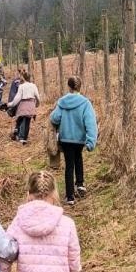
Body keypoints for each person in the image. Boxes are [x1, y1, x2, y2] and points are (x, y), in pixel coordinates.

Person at [49, 76, 98, 205]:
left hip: (65, 139)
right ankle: (80, 184)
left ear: (69, 87)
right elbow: (90, 122)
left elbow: (55, 118)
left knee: (69, 165)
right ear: (80, 86)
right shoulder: (85, 103)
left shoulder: (62, 102)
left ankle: (70, 196)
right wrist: (91, 141)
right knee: (78, 158)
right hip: (79, 139)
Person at [7, 69, 40, 145]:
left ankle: (21, 137)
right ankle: (24, 137)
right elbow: (37, 97)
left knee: (21, 119)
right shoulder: (33, 86)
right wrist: (37, 105)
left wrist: (10, 104)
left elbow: (17, 98)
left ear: (24, 78)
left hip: (23, 104)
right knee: (27, 121)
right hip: (31, 105)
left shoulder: (21, 86)